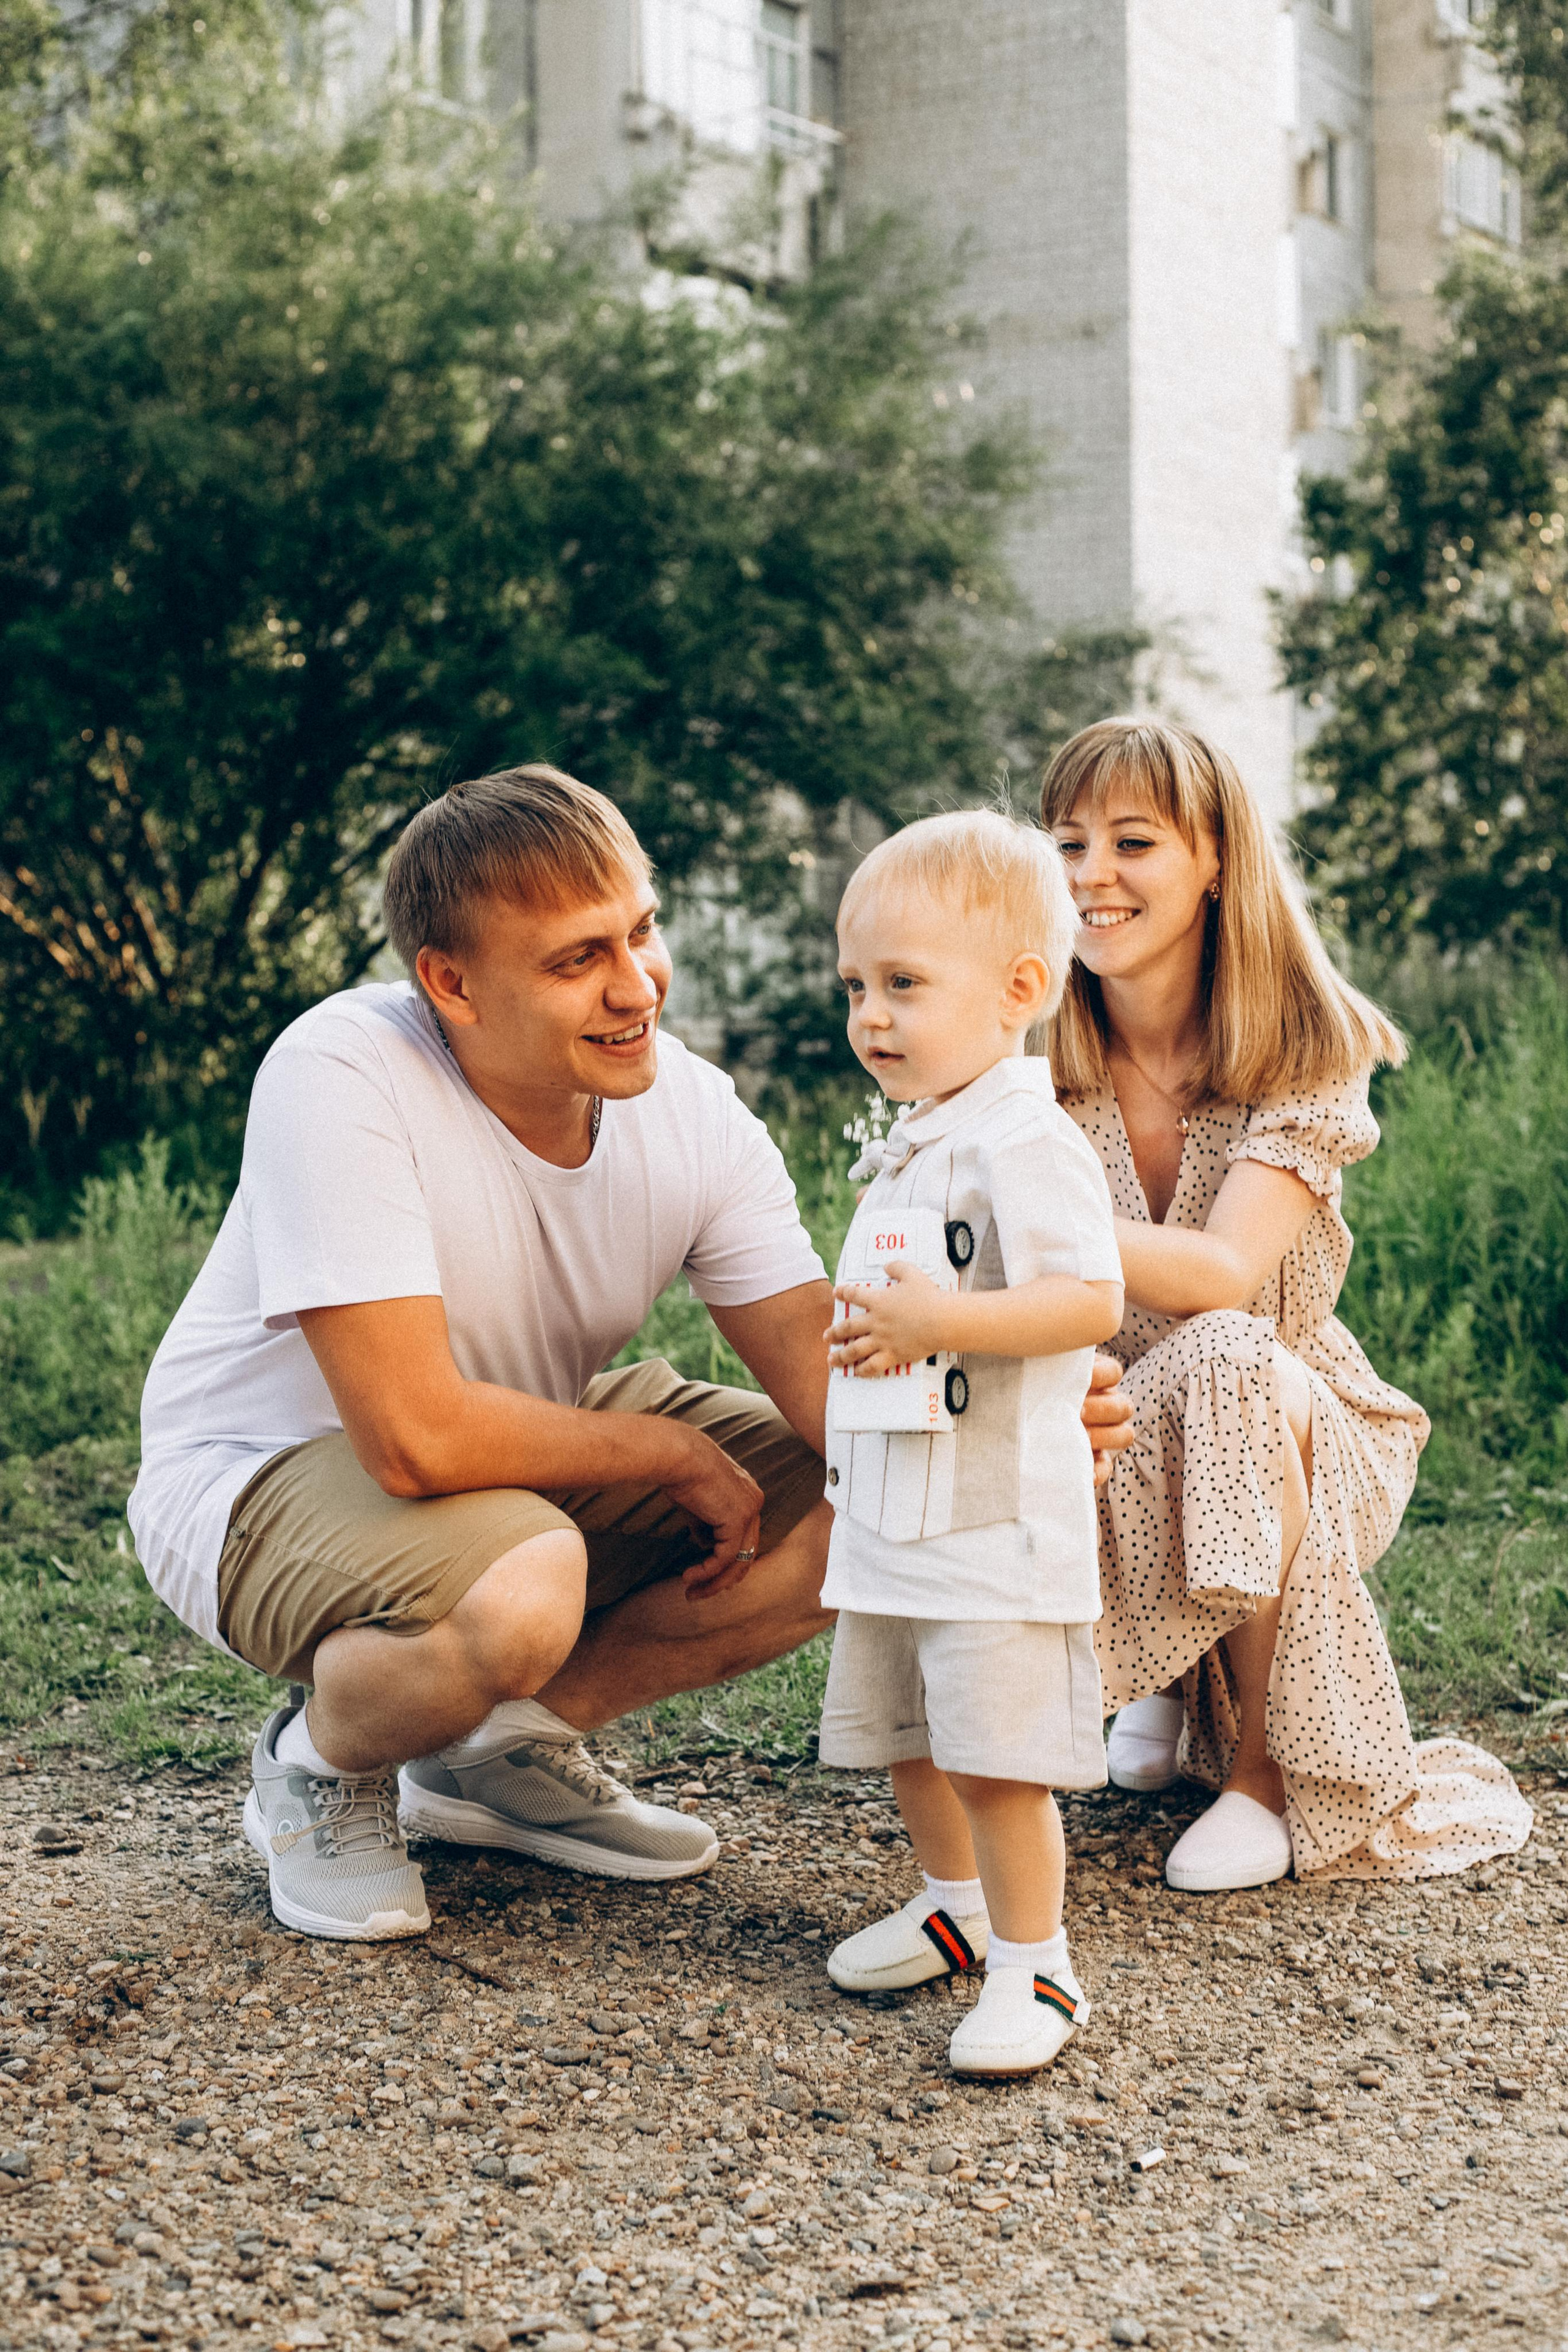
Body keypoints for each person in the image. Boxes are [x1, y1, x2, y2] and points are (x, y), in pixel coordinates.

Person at [130, 764, 1136, 1943]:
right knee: (525, 1584)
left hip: (513, 1450)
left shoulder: (694, 1113)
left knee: (882, 1487)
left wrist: (1013, 1413)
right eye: (576, 961)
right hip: (260, 1474)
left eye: (641, 931)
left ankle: (494, 1750)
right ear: (451, 984)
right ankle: (319, 1763)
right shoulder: (342, 1070)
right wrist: (660, 1450)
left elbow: (833, 1394)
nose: (635, 986)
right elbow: (412, 1437)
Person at [1040, 717, 1532, 1891]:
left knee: (1223, 1354)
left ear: (1214, 860)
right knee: (1091, 1383)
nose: (1091, 877)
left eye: (1133, 842)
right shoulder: (1034, 1043)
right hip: (1108, 1417)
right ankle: (1173, 1680)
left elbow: (1222, 1277)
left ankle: (1268, 1774)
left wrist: (1030, 1231)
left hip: (1303, 1416)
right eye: (1066, 845)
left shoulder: (1304, 1040)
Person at [813, 812, 1125, 2078]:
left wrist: (940, 1319)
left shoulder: (1022, 1138)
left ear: (1017, 993)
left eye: (902, 985)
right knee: (913, 1735)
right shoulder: (921, 1132)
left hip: (993, 1520)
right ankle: (951, 1905)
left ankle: (1033, 1967)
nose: (871, 1017)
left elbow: (1087, 1300)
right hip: (898, 1513)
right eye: (854, 988)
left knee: (995, 1754)